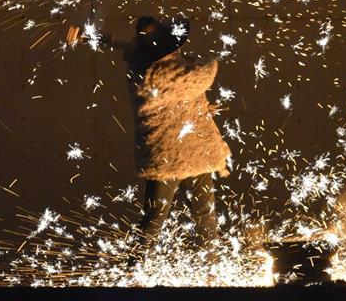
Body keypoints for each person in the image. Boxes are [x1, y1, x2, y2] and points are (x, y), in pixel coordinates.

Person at [67, 16, 231, 257]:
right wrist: (198, 59)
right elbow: (207, 70)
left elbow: (125, 45)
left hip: (166, 156)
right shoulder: (169, 75)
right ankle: (213, 267)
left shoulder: (139, 66)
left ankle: (134, 269)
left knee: (154, 218)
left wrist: (91, 37)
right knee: (202, 216)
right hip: (188, 154)